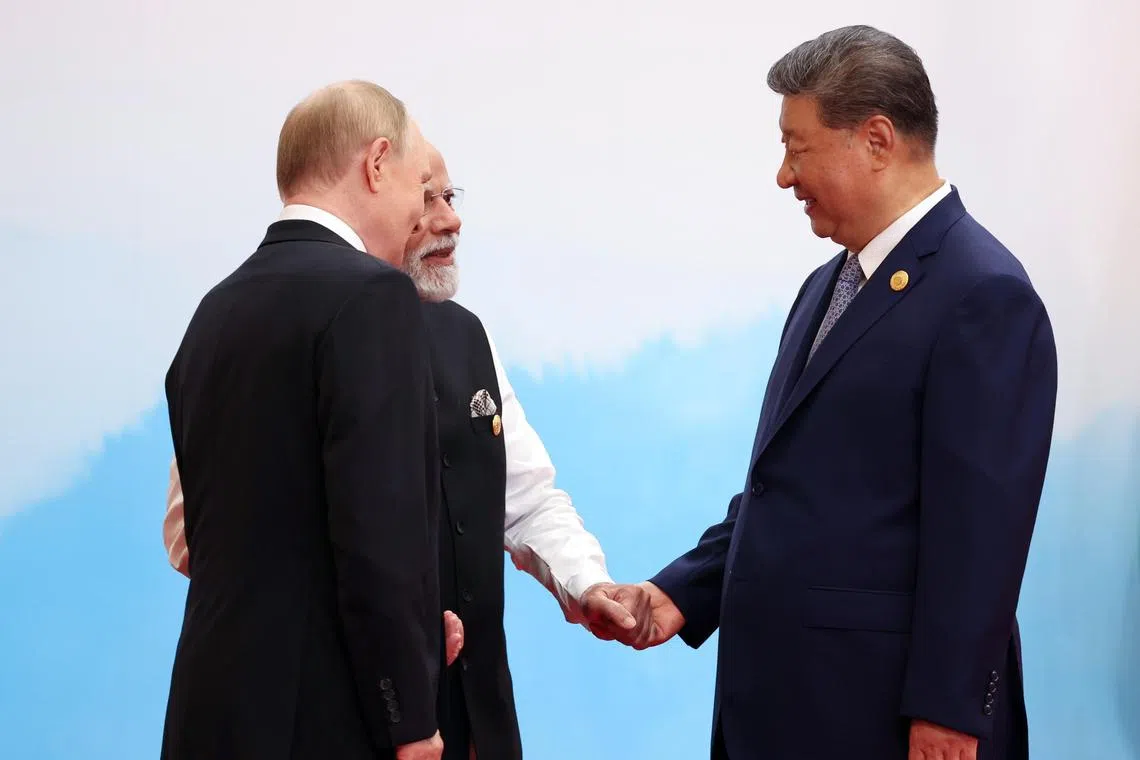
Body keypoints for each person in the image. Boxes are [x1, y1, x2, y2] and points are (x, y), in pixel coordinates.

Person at [630, 25, 1058, 760]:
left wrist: (948, 712)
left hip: (885, 721)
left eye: (796, 148)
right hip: (787, 709)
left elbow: (980, 534)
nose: (783, 176)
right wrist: (682, 593)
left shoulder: (983, 294)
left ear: (877, 139)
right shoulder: (826, 286)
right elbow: (791, 489)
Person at [162, 143, 652, 759]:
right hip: (335, 719)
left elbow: (525, 498)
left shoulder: (466, 334)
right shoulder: (274, 329)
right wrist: (390, 630)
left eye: (451, 196)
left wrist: (587, 583)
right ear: (377, 197)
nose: (450, 219)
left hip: (472, 721)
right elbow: (194, 533)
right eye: (426, 199)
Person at [160, 80, 447, 760]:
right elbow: (379, 532)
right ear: (377, 164)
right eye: (419, 183)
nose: (420, 214)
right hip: (324, 717)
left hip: (209, 709)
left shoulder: (215, 310)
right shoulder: (373, 295)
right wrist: (408, 715)